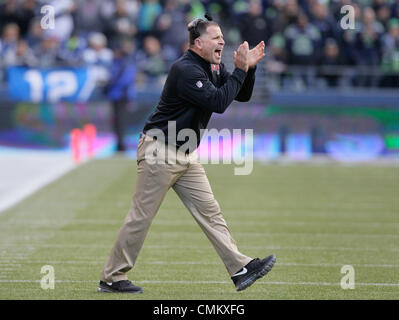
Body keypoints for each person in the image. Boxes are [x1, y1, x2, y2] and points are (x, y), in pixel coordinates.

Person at [98, 14, 276, 294]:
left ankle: (240, 268)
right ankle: (111, 277)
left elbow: (239, 95)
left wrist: (248, 69)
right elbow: (218, 102)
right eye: (216, 37)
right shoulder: (185, 69)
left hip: (184, 153)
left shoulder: (212, 66)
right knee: (141, 217)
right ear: (197, 43)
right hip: (160, 150)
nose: (222, 41)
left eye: (222, 37)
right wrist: (240, 69)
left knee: (211, 212)